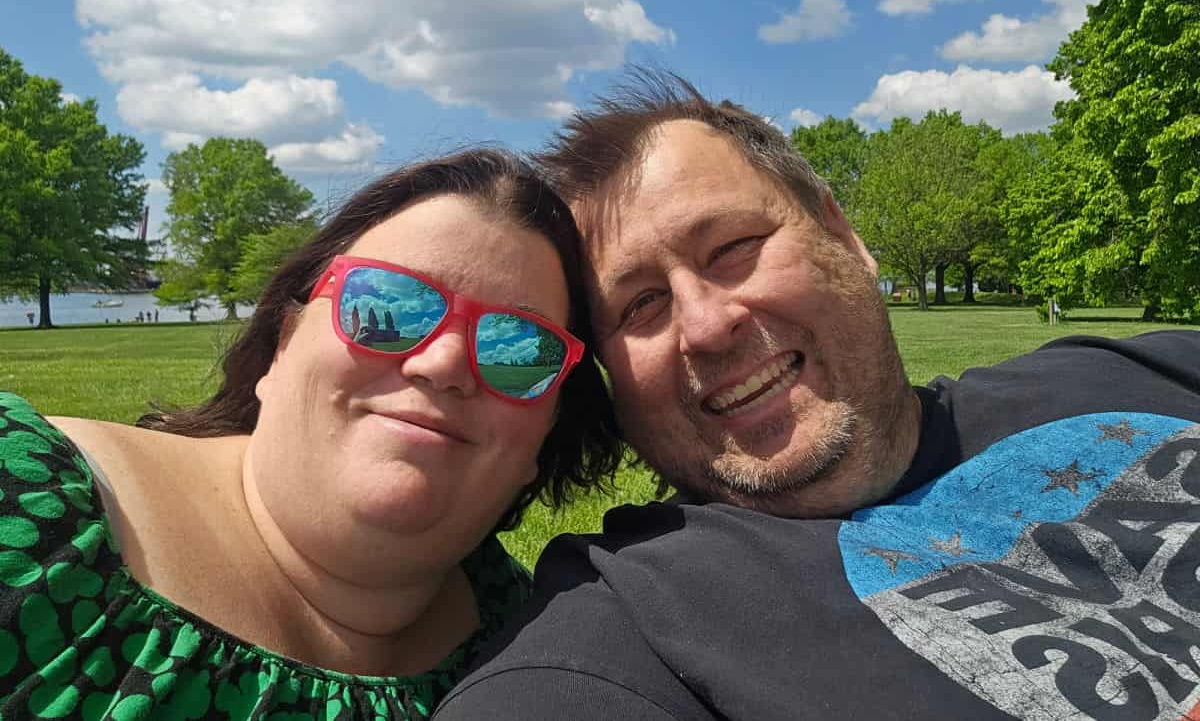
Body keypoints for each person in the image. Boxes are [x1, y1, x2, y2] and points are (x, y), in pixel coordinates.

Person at [436, 73, 1200, 721]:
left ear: (844, 233)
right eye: (637, 307)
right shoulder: (628, 631)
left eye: (733, 248)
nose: (704, 327)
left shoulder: (1146, 367)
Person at [0, 148, 620, 719]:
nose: (444, 363)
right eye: (390, 305)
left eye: (521, 348)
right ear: (282, 345)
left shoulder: (548, 650)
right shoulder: (20, 501)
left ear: (546, 433)